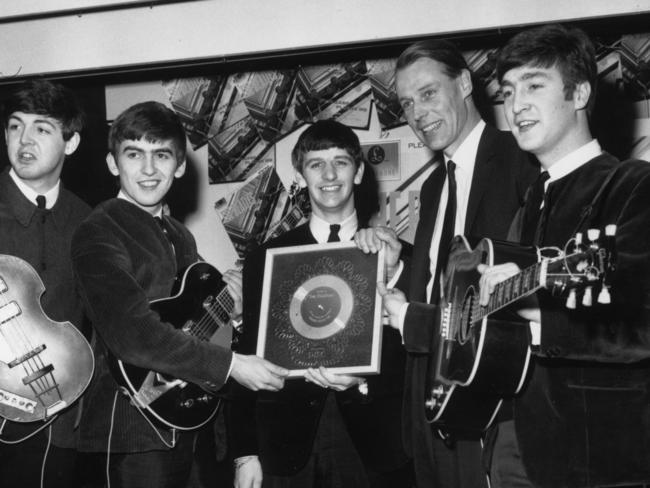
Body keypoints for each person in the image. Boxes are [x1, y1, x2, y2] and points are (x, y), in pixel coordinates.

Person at [70, 101, 288, 488]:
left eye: (162, 155)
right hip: (131, 434)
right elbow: (133, 334)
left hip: (189, 422)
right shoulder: (100, 230)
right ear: (112, 163)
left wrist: (230, 312)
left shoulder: (179, 234)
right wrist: (231, 365)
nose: (149, 169)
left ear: (181, 165)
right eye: (134, 154)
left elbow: (194, 324)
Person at [472, 24, 650, 488]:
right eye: (508, 91)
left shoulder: (634, 185)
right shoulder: (531, 202)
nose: (516, 105)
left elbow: (642, 327)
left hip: (599, 461)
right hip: (514, 449)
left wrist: (535, 314)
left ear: (580, 93)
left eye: (535, 85)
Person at [355, 40, 539, 487]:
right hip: (432, 403)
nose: (417, 113)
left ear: (464, 82)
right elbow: (442, 281)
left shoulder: (521, 158)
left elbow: (530, 284)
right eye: (406, 103)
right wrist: (400, 271)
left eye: (429, 94)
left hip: (493, 408)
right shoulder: (437, 183)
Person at [228, 119, 413, 488]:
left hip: (372, 445)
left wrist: (363, 381)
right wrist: (245, 453)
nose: (329, 174)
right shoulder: (266, 259)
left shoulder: (401, 257)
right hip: (284, 447)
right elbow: (244, 355)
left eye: (341, 162)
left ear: (359, 172)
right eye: (316, 164)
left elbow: (416, 359)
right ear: (301, 174)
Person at [0, 80, 91, 487]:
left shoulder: (90, 223)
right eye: (15, 126)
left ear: (70, 143)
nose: (24, 140)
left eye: (42, 128)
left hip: (56, 419)